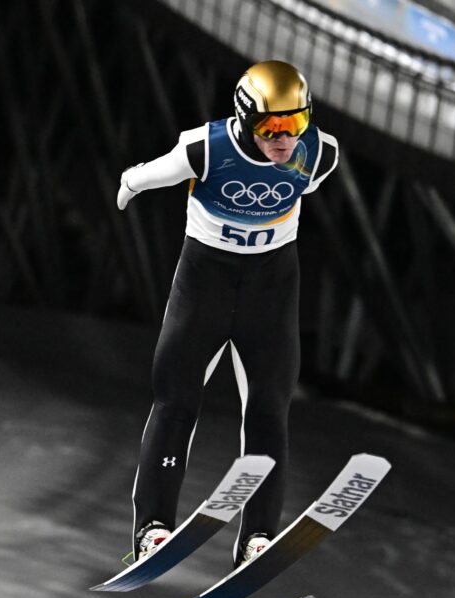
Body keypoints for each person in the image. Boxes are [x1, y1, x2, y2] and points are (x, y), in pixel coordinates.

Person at [116, 60, 339, 567]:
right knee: (175, 403)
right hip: (204, 285)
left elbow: (304, 185)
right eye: (271, 127)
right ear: (245, 119)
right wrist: (127, 186)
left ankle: (257, 536)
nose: (285, 139)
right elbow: (146, 176)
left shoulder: (320, 154)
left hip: (272, 288)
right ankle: (153, 528)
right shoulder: (205, 149)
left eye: (295, 123)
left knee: (268, 410)